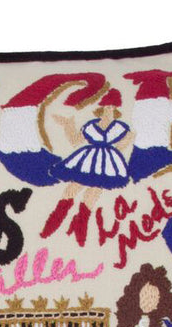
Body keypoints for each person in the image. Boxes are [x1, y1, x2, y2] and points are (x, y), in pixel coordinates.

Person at [40, 88, 133, 245]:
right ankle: (53, 223)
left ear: (116, 110)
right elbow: (75, 141)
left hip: (107, 163)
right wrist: (68, 125)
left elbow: (123, 144)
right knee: (72, 189)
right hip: (87, 160)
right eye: (106, 107)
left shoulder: (120, 127)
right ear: (101, 108)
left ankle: (80, 227)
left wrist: (114, 154)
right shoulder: (91, 126)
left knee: (92, 194)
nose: (108, 110)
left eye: (112, 107)